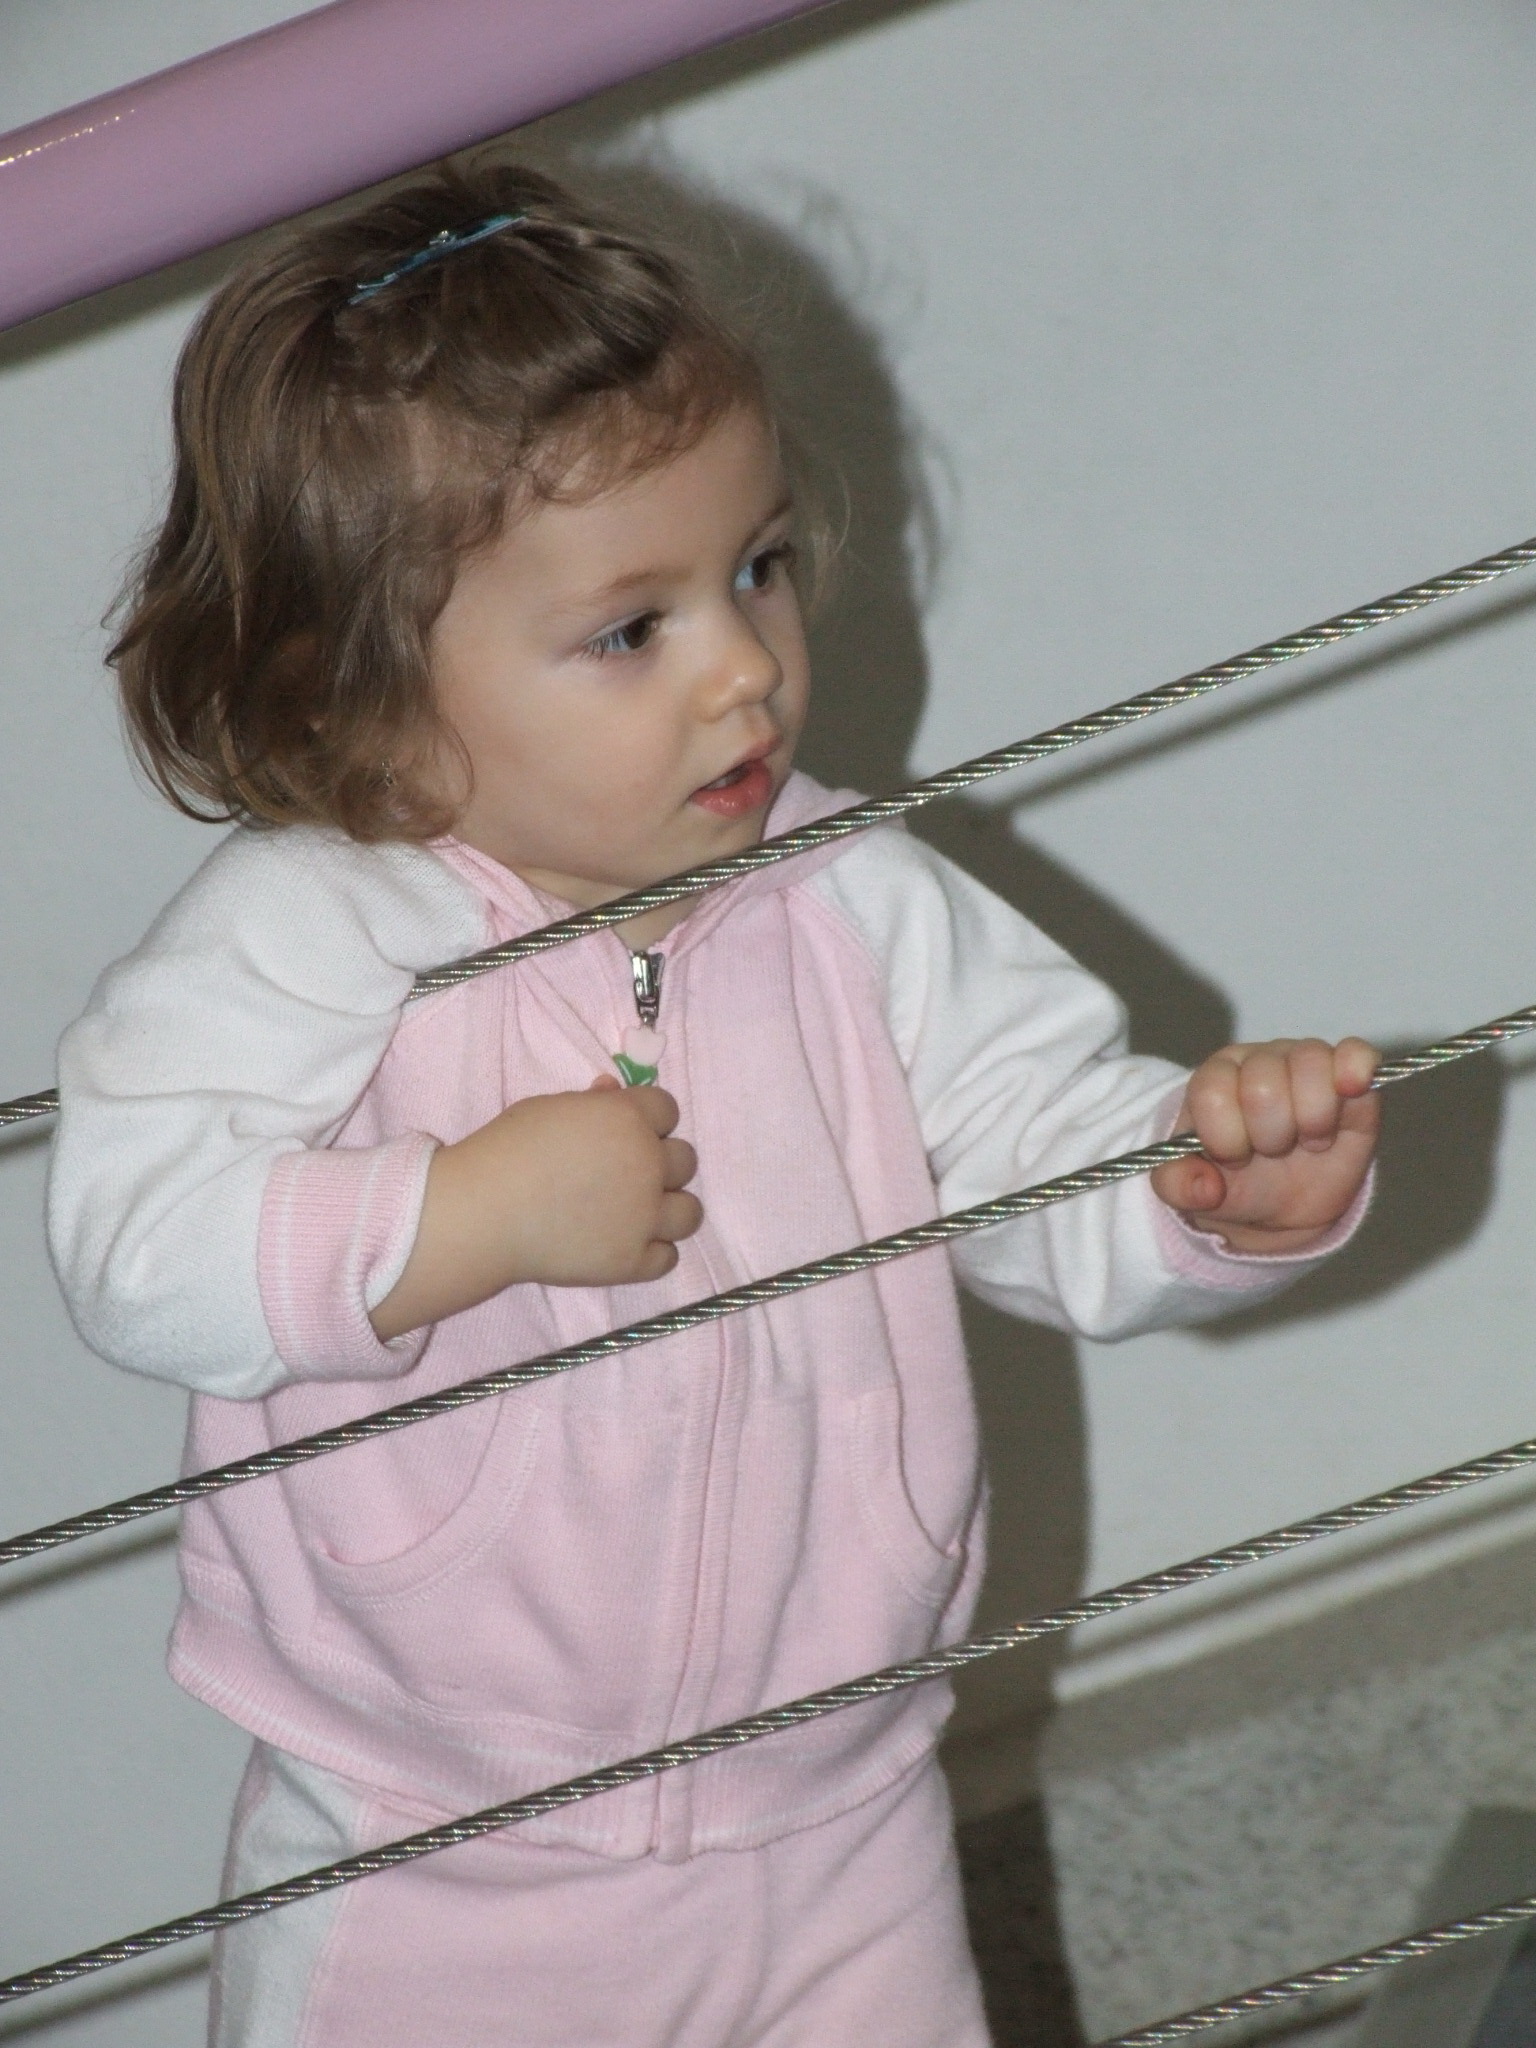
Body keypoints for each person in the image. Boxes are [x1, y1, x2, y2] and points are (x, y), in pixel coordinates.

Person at [47, 162, 1379, 2048]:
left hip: (841, 1824)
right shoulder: (308, 930)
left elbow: (1028, 1141)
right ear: (355, 697)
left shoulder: (856, 895)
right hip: (444, 1862)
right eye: (632, 629)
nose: (746, 666)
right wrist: (462, 1217)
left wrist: (1195, 1190)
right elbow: (136, 1247)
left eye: (757, 567)